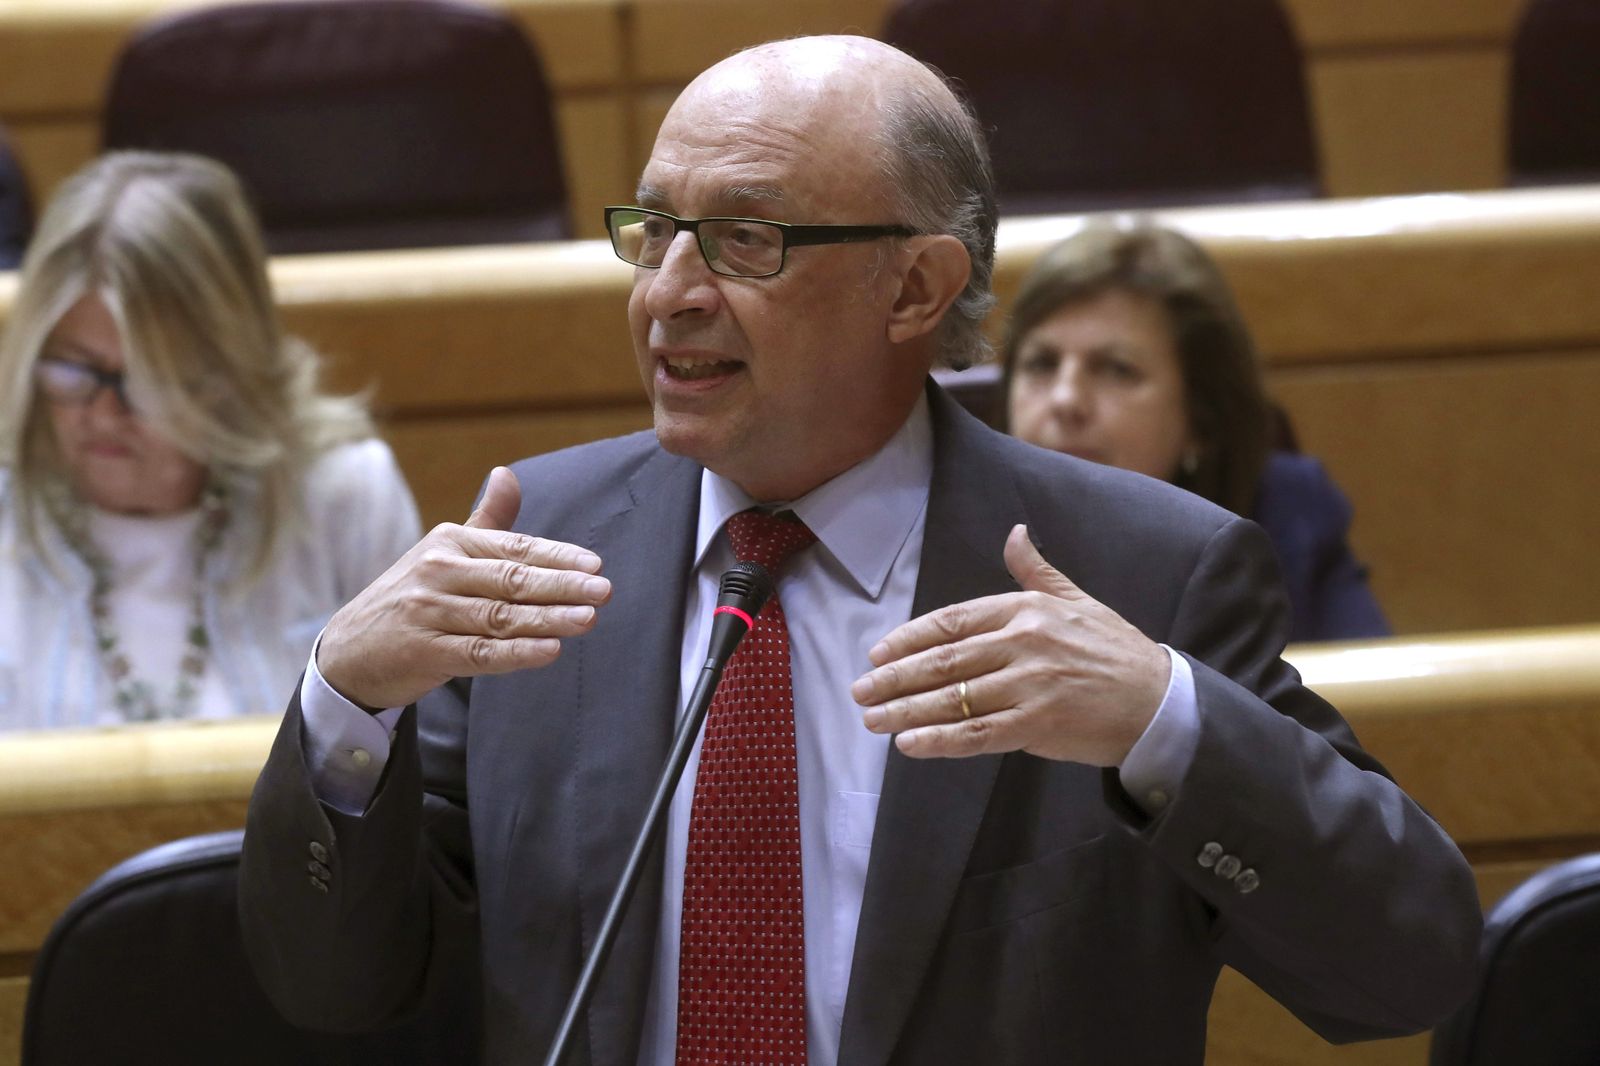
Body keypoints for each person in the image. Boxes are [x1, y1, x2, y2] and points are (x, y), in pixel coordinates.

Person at [238, 35, 1480, 1066]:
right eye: (654, 229)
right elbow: (338, 988)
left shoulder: (1139, 569)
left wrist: (1161, 721)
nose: (669, 290)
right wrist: (344, 700)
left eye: (743, 239)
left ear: (915, 287)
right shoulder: (539, 553)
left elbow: (1403, 967)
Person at [0, 151, 420, 729]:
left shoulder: (343, 494)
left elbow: (413, 755)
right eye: (72, 371)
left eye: (147, 381)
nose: (101, 413)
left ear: (227, 368)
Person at [1002, 219, 1390, 643]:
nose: (1065, 400)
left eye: (1116, 369)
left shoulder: (1286, 516)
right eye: (1041, 363)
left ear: (1201, 418)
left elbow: (1366, 705)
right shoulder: (950, 512)